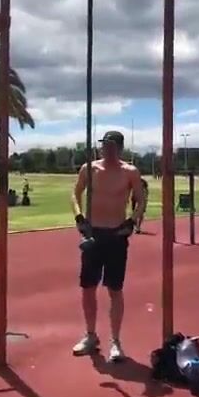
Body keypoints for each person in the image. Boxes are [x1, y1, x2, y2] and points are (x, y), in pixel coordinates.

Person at [71, 131, 145, 362]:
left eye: (112, 146)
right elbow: (75, 193)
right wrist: (79, 216)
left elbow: (141, 200)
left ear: (120, 148)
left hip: (116, 235)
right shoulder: (89, 169)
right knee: (88, 287)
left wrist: (132, 221)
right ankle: (91, 336)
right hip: (93, 234)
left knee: (114, 289)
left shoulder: (129, 171)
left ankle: (116, 342)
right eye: (104, 145)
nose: (107, 149)